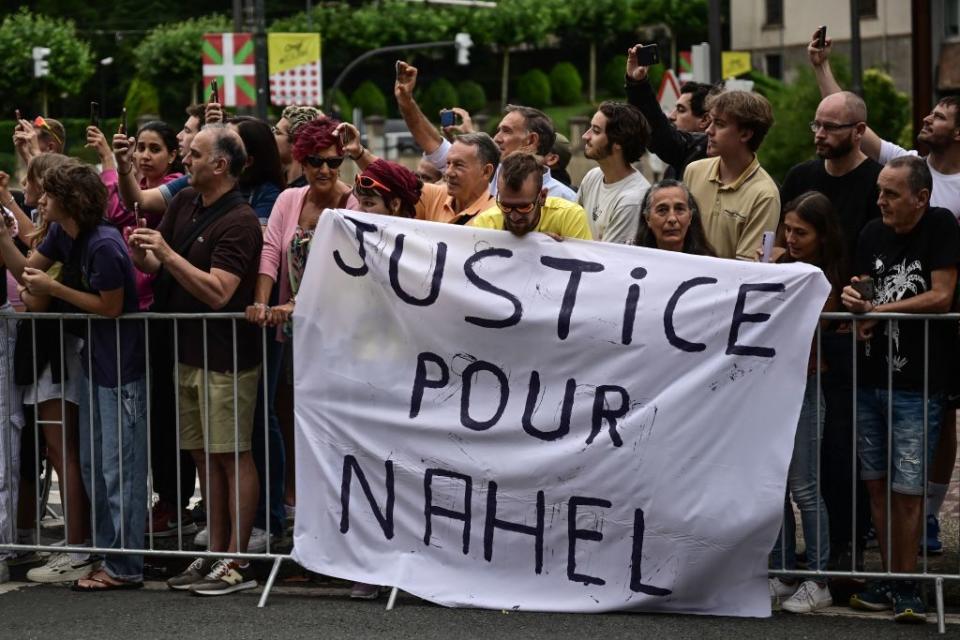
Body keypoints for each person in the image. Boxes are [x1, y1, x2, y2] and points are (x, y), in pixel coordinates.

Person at [808, 30, 960, 552]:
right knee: (891, 453)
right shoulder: (903, 164)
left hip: (942, 318)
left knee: (942, 423)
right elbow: (854, 125)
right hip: (894, 331)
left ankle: (929, 518)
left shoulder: (947, 204)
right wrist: (821, 69)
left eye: (939, 117)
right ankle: (912, 540)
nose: (926, 121)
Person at [0, 159, 147, 591]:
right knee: (93, 462)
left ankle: (126, 565)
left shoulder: (103, 244)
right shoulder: (65, 234)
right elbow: (30, 273)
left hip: (122, 365)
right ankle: (105, 555)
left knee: (119, 466)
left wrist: (55, 290)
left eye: (48, 194)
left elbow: (111, 307)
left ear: (69, 200)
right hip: (94, 364)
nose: (41, 200)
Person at [130, 125, 263, 596]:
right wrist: (145, 252)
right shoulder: (185, 201)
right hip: (185, 350)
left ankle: (237, 560)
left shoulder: (242, 220)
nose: (185, 159)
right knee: (204, 456)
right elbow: (158, 265)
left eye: (195, 153)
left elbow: (218, 291)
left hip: (226, 357)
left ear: (221, 165)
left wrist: (164, 252)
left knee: (231, 454)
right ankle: (213, 551)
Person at [841, 156, 960, 623]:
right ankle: (890, 581)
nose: (881, 201)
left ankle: (909, 585)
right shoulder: (871, 232)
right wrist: (854, 299)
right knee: (876, 487)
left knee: (907, 490)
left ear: (921, 197)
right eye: (879, 192)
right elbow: (861, 284)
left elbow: (942, 295)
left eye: (891, 194)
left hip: (917, 382)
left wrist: (882, 312)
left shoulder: (941, 226)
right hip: (870, 378)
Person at [780, 90, 882, 570]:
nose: (819, 134)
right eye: (816, 126)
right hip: (801, 346)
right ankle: (809, 554)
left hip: (844, 339)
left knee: (840, 452)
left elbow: (873, 251)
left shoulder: (875, 181)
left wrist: (855, 298)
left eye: (830, 127)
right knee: (800, 466)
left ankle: (843, 550)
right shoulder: (801, 177)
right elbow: (777, 245)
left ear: (858, 131)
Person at [766, 192, 845, 614]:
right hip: (776, 386)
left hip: (807, 386)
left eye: (802, 232)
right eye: (789, 229)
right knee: (775, 483)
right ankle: (782, 571)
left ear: (821, 235)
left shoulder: (826, 278)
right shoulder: (780, 265)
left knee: (805, 486)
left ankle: (818, 577)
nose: (792, 238)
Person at [395, 61, 576, 201]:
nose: (497, 138)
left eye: (507, 131)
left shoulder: (567, 201)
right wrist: (406, 102)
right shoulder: (483, 174)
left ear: (531, 140)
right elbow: (432, 142)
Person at [89, 120, 185, 310]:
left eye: (155, 149)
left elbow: (116, 213)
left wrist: (108, 159)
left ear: (172, 156)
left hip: (156, 293)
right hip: (132, 289)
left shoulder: (177, 184)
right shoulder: (139, 186)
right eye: (140, 148)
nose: (145, 156)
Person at [682, 90, 780, 260]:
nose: (708, 131)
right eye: (710, 121)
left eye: (719, 124)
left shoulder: (765, 195)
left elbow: (746, 268)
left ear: (746, 134)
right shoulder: (693, 171)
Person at [340, 122, 497, 225]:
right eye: (448, 163)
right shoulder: (437, 196)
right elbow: (393, 177)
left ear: (486, 171)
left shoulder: (500, 217)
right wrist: (358, 152)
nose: (448, 172)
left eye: (459, 165)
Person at [625, 46, 713, 179]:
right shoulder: (673, 168)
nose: (671, 116)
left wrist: (638, 85)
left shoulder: (704, 156)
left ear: (705, 120)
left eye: (681, 110)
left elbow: (661, 135)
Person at [469, 153, 592, 239]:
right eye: (505, 206)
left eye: (524, 207)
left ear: (542, 197)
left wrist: (559, 253)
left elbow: (586, 270)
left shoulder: (569, 216)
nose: (514, 216)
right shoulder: (486, 223)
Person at [578, 101, 651, 243]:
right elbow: (569, 226)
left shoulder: (633, 200)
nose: (585, 136)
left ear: (618, 143)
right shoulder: (592, 177)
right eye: (590, 128)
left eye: (596, 131)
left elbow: (607, 258)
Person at [226, 116, 286, 225]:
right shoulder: (205, 185)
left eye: (227, 144)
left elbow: (251, 235)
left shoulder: (268, 195)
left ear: (247, 161)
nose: (216, 147)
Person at [634, 179, 715, 256]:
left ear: (690, 216)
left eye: (679, 209)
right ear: (647, 218)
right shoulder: (631, 259)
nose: (672, 219)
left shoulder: (708, 265)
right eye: (662, 210)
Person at [273, 105, 322, 189]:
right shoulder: (275, 182)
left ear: (296, 143)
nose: (272, 136)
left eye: (277, 132)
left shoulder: (310, 192)